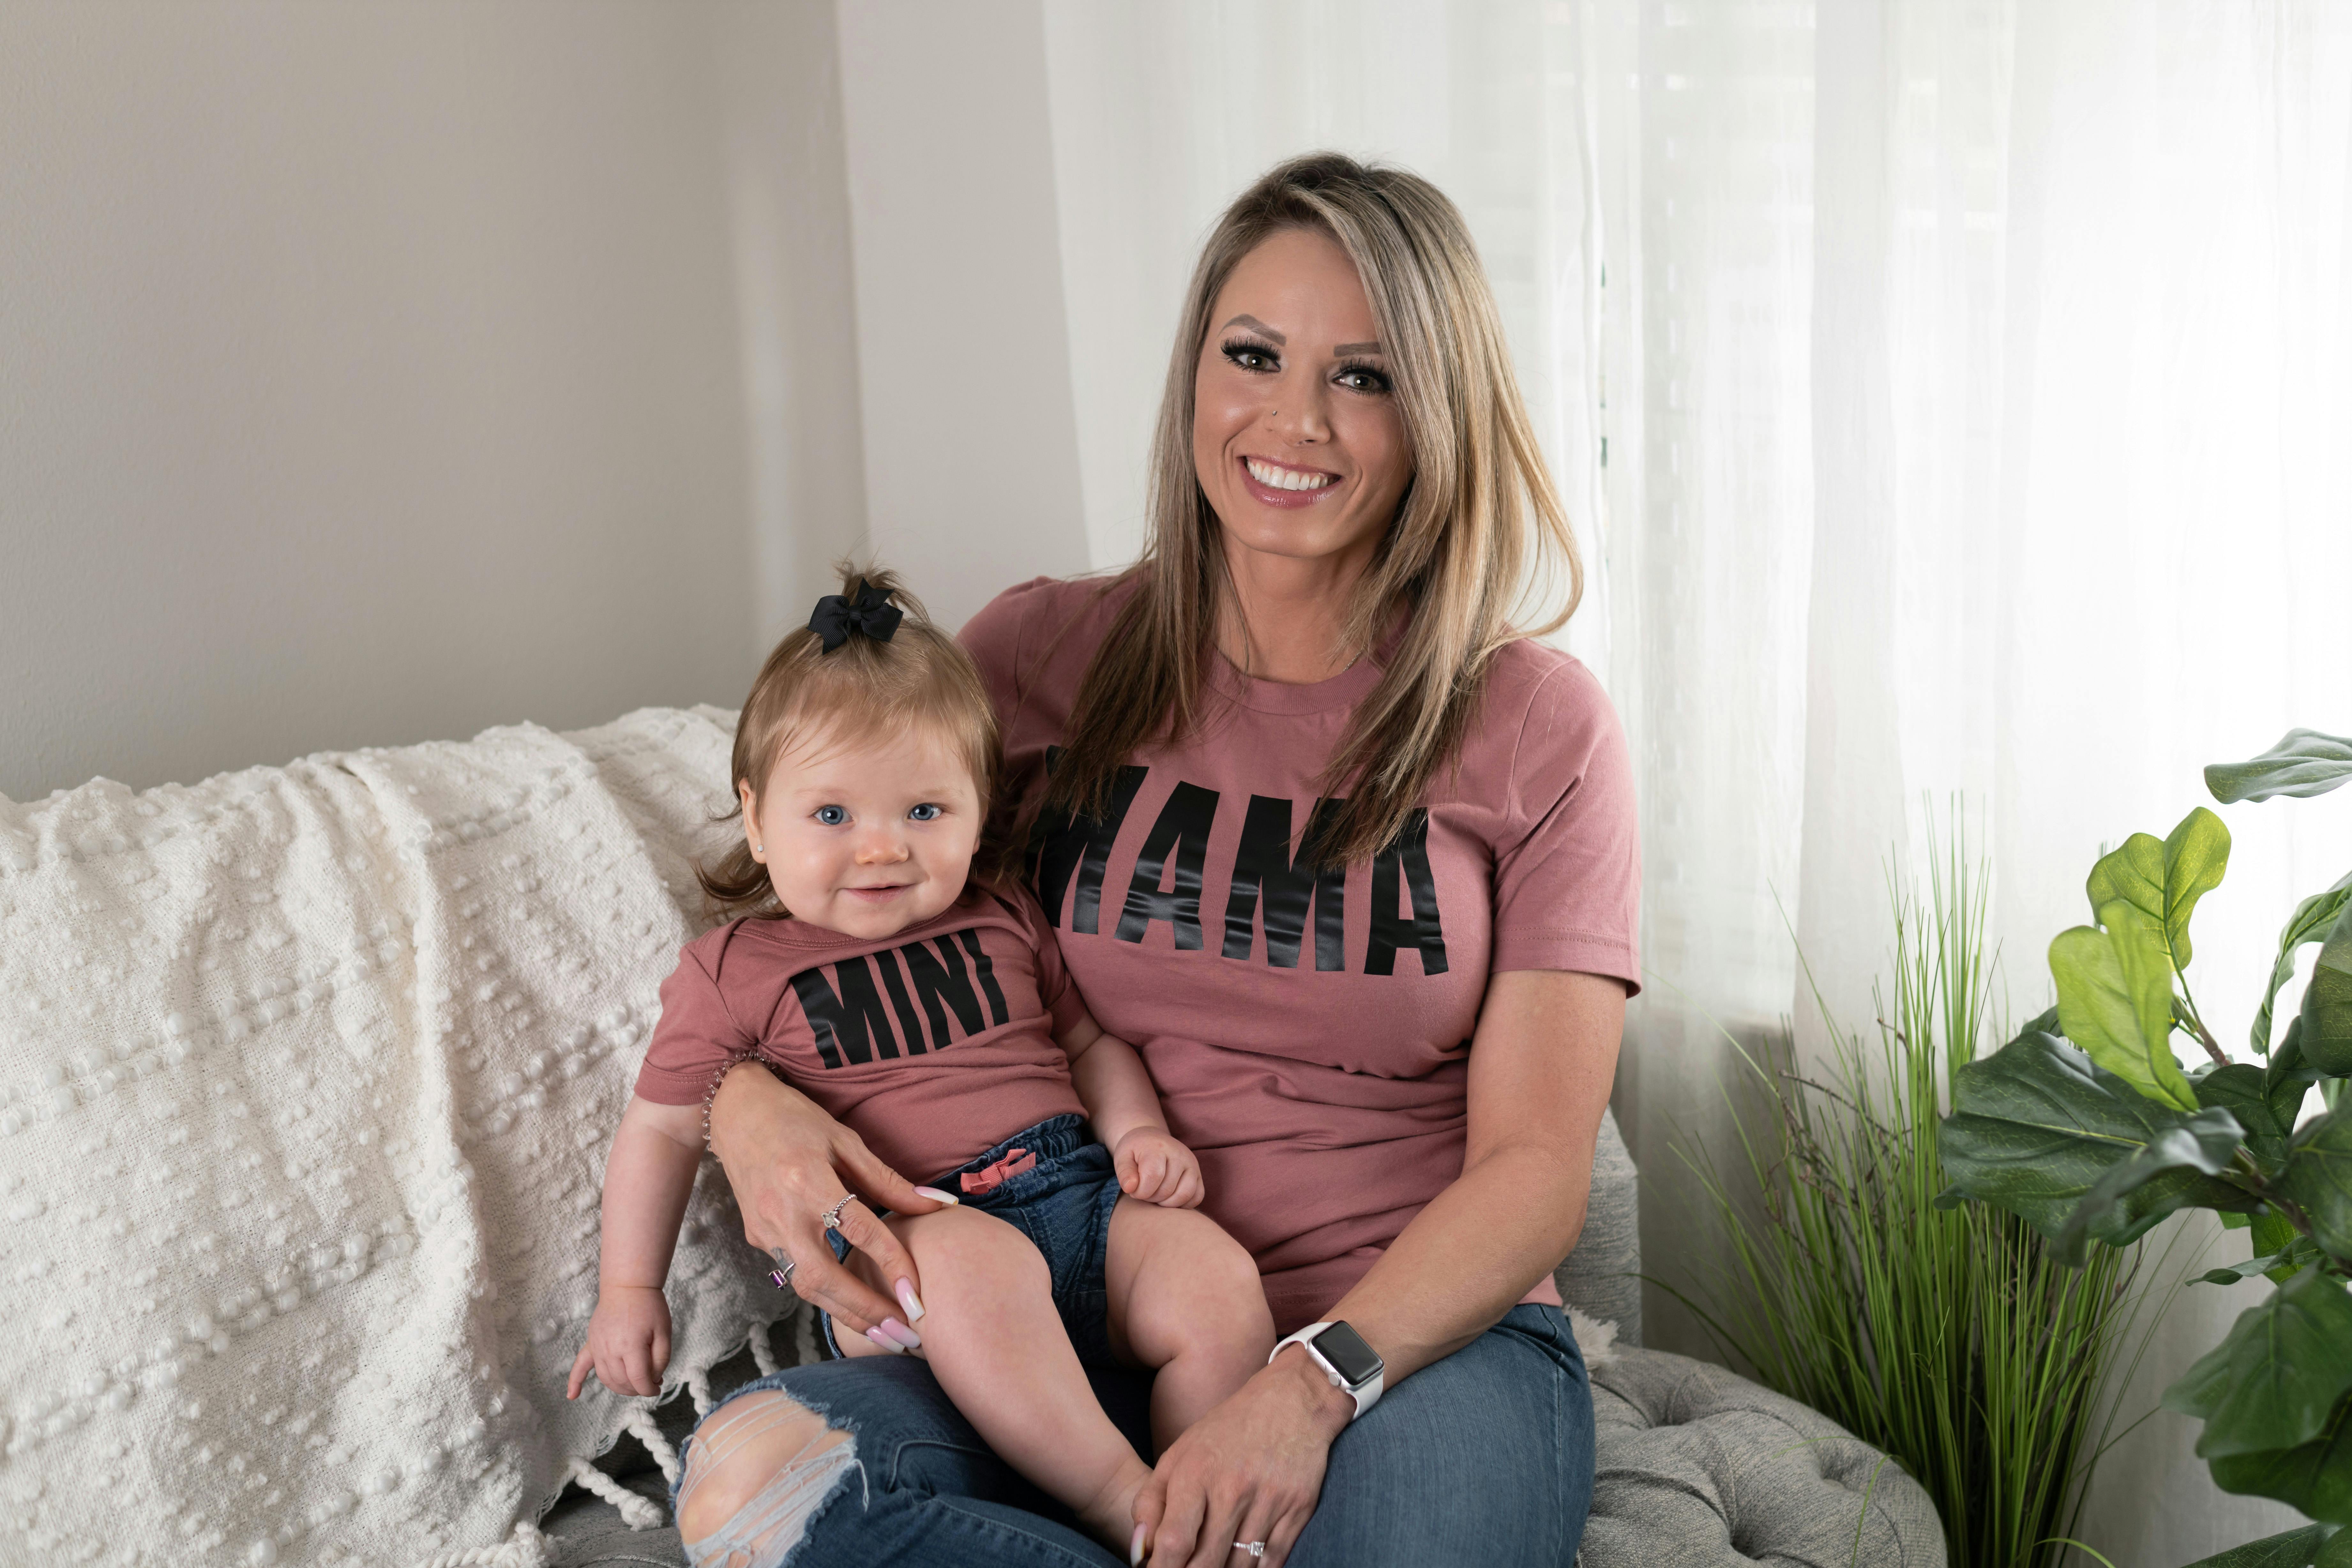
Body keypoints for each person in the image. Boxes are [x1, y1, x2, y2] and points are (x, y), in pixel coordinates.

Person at [679, 151, 1639, 1568]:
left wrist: (1304, 1387)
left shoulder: (1538, 727)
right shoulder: (1036, 657)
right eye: (1253, 355)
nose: (1295, 419)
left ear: (1440, 414)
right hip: (1065, 1307)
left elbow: (1536, 1169)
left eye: (1364, 376)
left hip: (1406, 1344)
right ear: (1195, 372)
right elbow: (829, 913)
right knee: (749, 1485)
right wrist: (744, 1108)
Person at [567, 568, 1274, 1563]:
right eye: (832, 817)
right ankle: (1122, 1503)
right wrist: (630, 1288)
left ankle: (1199, 1503)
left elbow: (1088, 1045)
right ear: (756, 818)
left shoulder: (1005, 916)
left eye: (925, 812)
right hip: (912, 1241)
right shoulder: (735, 972)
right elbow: (661, 1127)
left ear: (981, 811)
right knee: (972, 1264)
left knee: (1215, 1276)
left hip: (1077, 1199)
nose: (881, 851)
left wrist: (1139, 1133)